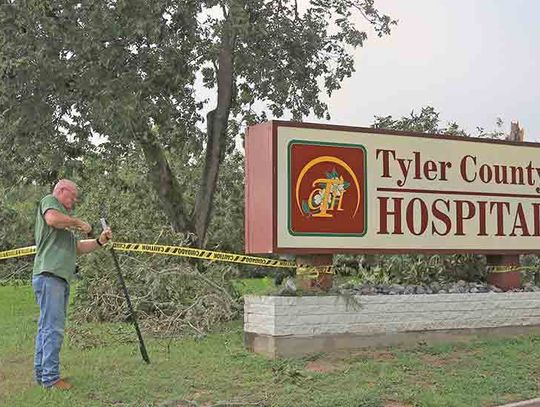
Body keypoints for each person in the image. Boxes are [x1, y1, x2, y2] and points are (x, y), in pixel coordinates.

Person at [32, 179, 112, 390]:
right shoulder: (50, 203)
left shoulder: (63, 226)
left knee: (46, 328)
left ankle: (43, 375)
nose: (74, 200)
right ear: (62, 190)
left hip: (57, 278)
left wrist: (99, 241)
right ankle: (51, 378)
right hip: (50, 276)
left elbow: (76, 248)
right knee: (53, 328)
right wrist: (78, 223)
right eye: (72, 196)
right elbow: (51, 219)